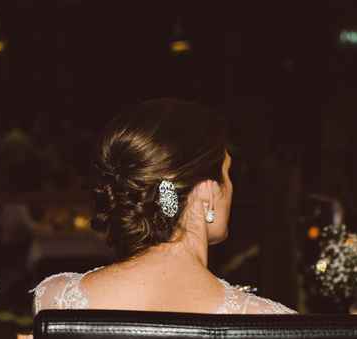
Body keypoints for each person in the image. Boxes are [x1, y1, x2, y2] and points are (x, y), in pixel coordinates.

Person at [32, 99, 295, 314]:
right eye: (227, 173)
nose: (232, 187)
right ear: (208, 192)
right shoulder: (269, 321)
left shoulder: (57, 300)